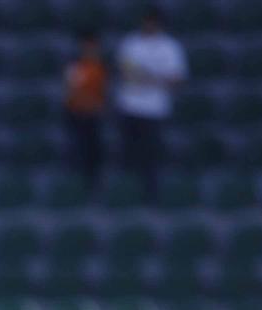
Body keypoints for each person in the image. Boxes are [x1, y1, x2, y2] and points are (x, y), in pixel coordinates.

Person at [113, 7, 185, 201]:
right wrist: (157, 79)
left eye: (154, 22)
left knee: (151, 156)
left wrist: (146, 77)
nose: (150, 25)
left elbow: (176, 80)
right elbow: (126, 73)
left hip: (155, 110)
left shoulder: (170, 47)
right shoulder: (131, 43)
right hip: (129, 106)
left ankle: (150, 195)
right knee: (127, 153)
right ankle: (124, 195)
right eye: (147, 21)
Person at [64, 29, 107, 190]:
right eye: (86, 45)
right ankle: (74, 186)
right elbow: (71, 89)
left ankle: (93, 186)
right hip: (76, 114)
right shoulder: (75, 65)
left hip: (94, 115)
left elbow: (104, 91)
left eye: (92, 45)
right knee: (76, 150)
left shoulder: (102, 66)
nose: (89, 48)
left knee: (94, 153)